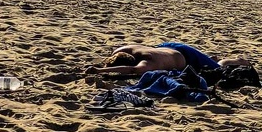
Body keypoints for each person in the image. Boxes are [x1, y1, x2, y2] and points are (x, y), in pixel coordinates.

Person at [84, 42, 250, 76]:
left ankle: (236, 61)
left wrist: (100, 70)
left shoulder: (147, 61)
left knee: (219, 68)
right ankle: (207, 58)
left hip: (185, 56)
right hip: (166, 46)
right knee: (206, 61)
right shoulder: (123, 50)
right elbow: (114, 60)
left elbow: (134, 70)